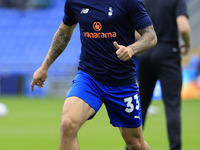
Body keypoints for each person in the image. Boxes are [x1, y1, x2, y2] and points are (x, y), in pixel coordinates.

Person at [31, 0, 157, 149]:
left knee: (135, 143)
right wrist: (45, 66)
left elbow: (150, 36)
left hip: (121, 81)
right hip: (89, 78)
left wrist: (131, 49)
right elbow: (64, 33)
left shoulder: (129, 1)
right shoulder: (74, 1)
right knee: (67, 125)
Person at [125, 0, 191, 150]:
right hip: (169, 53)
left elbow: (135, 31)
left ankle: (130, 147)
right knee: (172, 106)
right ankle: (175, 147)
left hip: (147, 55)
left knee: (142, 105)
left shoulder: (145, 1)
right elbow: (183, 27)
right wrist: (186, 44)